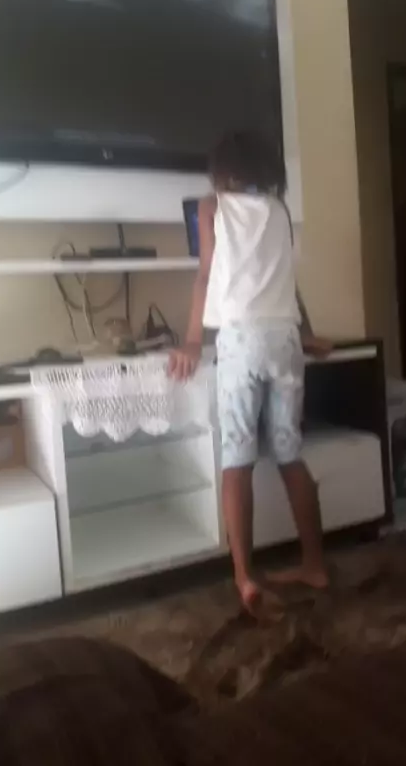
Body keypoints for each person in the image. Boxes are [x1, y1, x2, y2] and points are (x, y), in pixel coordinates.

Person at [169, 131, 331, 617]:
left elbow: (205, 275)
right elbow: (287, 283)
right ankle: (315, 565)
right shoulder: (279, 210)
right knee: (289, 452)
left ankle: (245, 577)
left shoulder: (211, 207)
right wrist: (307, 334)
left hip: (241, 341)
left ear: (221, 172)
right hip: (284, 340)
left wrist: (192, 341)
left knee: (237, 460)